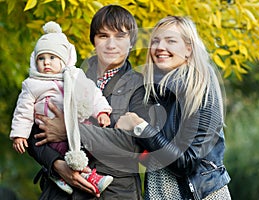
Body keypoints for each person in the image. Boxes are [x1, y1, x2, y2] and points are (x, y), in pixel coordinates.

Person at [27, 5, 149, 200]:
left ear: (131, 42)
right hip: (59, 190)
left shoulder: (141, 87)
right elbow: (33, 129)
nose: (111, 44)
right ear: (93, 40)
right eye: (103, 36)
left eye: (119, 36)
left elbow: (132, 144)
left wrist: (68, 130)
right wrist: (57, 163)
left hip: (113, 192)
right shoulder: (68, 74)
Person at [115, 16, 232, 199]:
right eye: (155, 41)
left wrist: (140, 127)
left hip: (200, 195)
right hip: (158, 193)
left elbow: (187, 162)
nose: (160, 47)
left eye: (170, 41)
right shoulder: (151, 91)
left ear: (188, 48)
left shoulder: (200, 86)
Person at [10, 21, 113, 196]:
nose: (46, 63)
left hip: (78, 128)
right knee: (63, 152)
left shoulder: (75, 77)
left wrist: (102, 111)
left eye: (52, 58)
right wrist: (19, 134)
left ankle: (87, 176)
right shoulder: (33, 84)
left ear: (64, 60)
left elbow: (93, 95)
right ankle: (70, 176)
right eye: (41, 59)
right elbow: (23, 111)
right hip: (49, 134)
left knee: (84, 149)